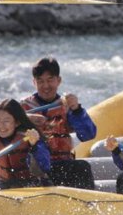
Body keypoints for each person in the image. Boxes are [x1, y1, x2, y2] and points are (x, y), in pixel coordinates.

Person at [21, 57, 96, 189]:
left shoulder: (67, 106)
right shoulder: (22, 108)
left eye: (50, 80)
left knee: (82, 167)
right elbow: (3, 132)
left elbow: (88, 135)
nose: (45, 86)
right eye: (40, 81)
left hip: (61, 165)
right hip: (34, 168)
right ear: (34, 82)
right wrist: (24, 119)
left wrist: (77, 110)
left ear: (58, 80)